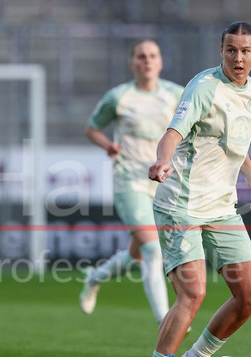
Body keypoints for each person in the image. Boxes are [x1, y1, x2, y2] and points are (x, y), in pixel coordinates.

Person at [137, 21, 251, 357]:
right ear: (221, 51)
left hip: (221, 208)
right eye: (231, 50)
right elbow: (173, 133)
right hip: (181, 204)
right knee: (192, 293)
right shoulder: (204, 88)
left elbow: (235, 142)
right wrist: (162, 161)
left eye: (245, 51)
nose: (238, 58)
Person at [79, 39, 184, 327]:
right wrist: (108, 145)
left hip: (164, 183)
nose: (147, 60)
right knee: (153, 250)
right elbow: (92, 129)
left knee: (136, 255)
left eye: (153, 55)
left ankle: (94, 277)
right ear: (132, 63)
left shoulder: (176, 94)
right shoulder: (119, 97)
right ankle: (166, 321)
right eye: (141, 56)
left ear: (160, 62)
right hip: (130, 181)